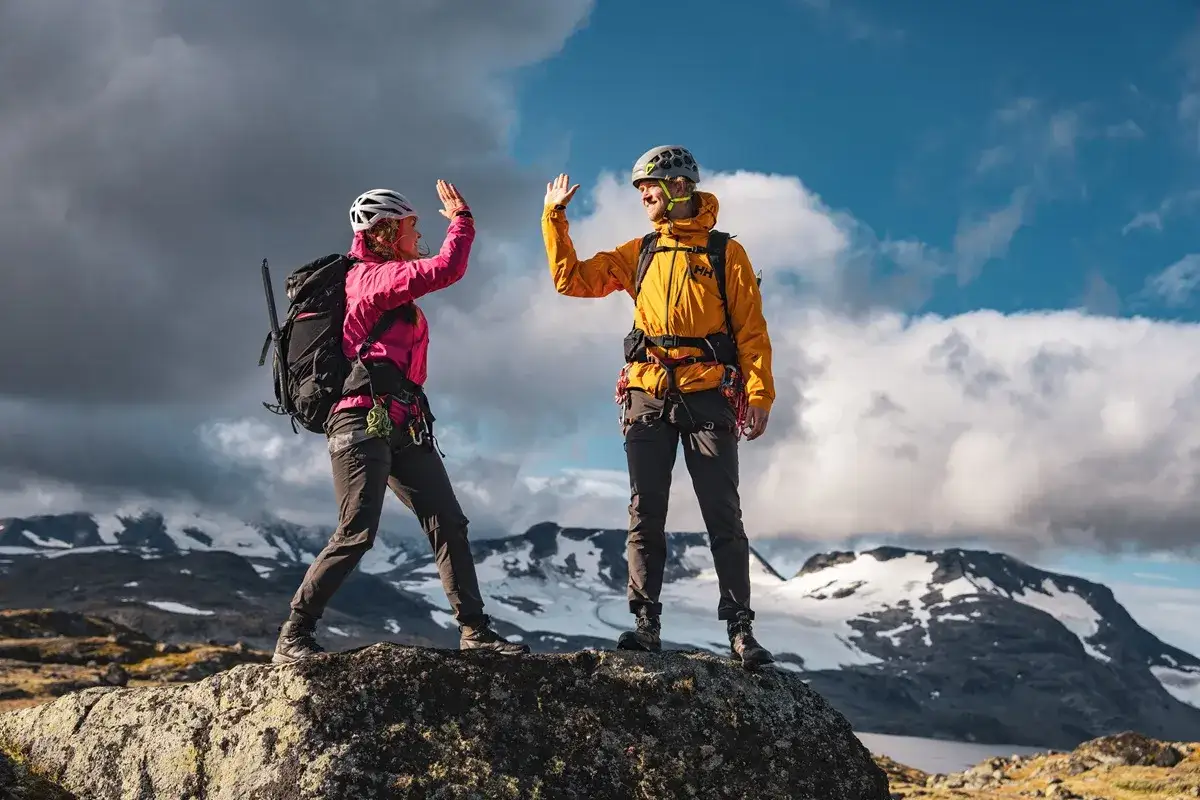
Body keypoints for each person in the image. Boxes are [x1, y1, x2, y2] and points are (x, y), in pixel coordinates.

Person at [273, 180, 529, 663]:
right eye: (412, 227)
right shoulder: (368, 280)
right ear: (386, 231)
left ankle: (474, 632)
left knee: (448, 521)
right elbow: (447, 268)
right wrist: (463, 223)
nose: (417, 236)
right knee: (358, 528)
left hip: (404, 423)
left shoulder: (383, 279)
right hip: (359, 423)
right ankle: (294, 635)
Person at [541, 146, 775, 668]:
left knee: (722, 514)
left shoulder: (723, 253)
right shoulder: (639, 251)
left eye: (649, 184)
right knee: (645, 511)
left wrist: (758, 394)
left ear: (678, 186)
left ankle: (741, 631)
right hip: (647, 393)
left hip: (710, 391)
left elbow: (752, 332)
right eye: (640, 187)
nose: (643, 194)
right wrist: (554, 218)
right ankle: (645, 626)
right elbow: (571, 279)